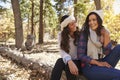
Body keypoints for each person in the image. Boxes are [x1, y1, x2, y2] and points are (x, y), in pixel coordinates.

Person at [77, 9, 120, 80]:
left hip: (102, 61)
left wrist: (105, 35)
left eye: (94, 20)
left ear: (99, 21)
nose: (91, 22)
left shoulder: (102, 32)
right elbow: (80, 55)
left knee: (118, 48)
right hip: (89, 66)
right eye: (89, 20)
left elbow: (107, 52)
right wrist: (97, 63)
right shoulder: (85, 33)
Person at [50, 15, 82, 80]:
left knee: (68, 66)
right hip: (69, 60)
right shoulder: (61, 35)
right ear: (67, 27)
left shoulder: (80, 34)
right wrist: (69, 61)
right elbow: (62, 51)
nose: (75, 25)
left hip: (79, 61)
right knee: (59, 61)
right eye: (72, 24)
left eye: (74, 22)